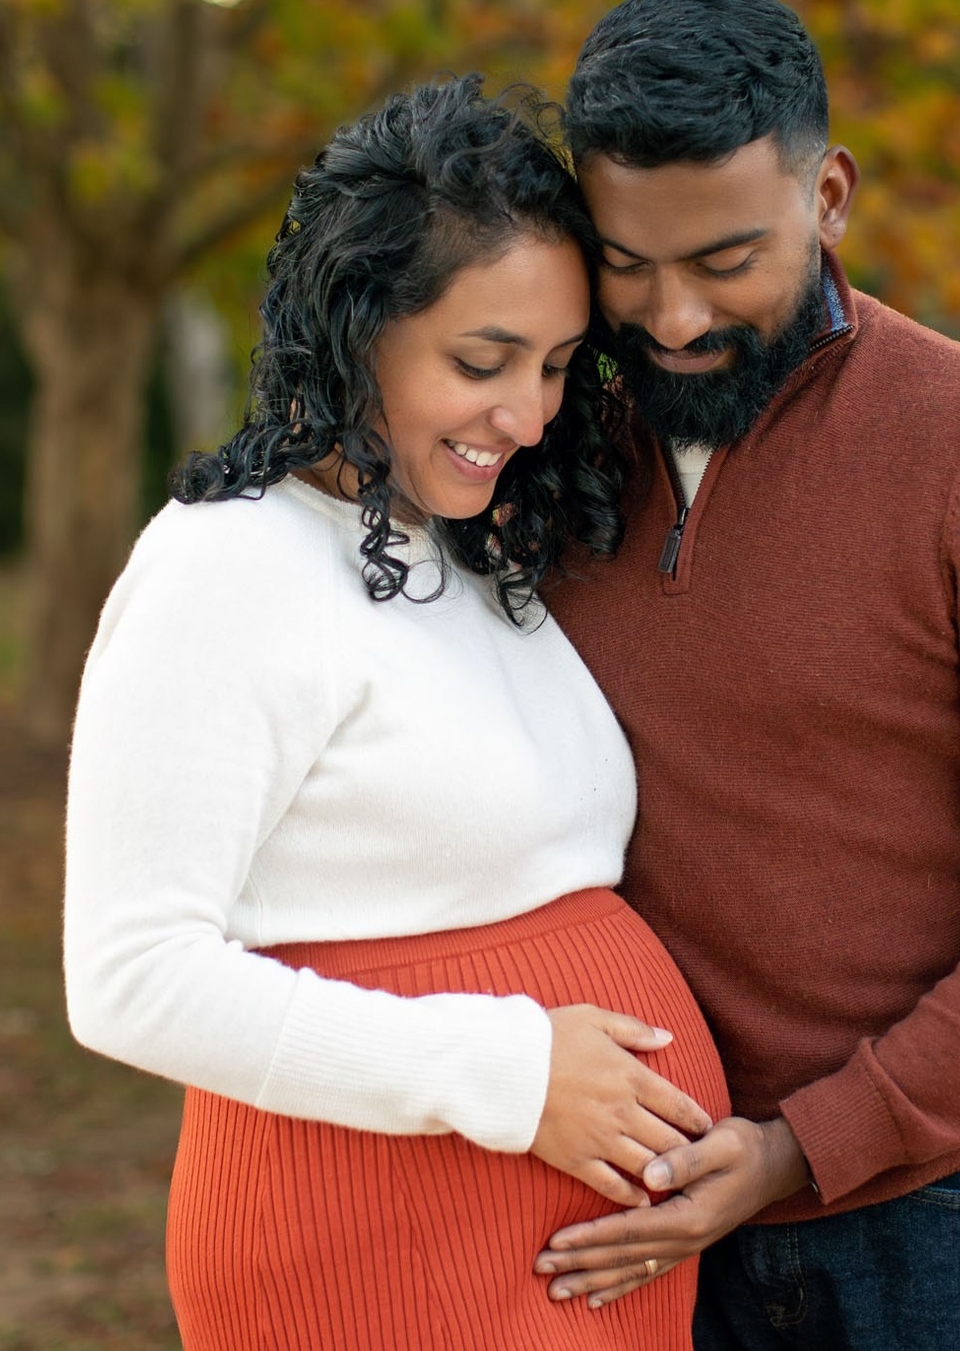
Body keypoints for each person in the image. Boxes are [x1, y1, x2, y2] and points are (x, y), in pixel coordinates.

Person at [530, 0, 960, 1350]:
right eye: (627, 263)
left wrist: (804, 1145)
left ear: (828, 196)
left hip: (941, 1225)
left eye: (724, 258)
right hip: (630, 1206)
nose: (673, 317)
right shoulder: (545, 443)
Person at [62, 74, 729, 1351]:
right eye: (481, 362)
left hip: (561, 1256)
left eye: (551, 365)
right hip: (373, 1235)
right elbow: (128, 978)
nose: (526, 416)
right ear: (356, 327)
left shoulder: (465, 545)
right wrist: (510, 1074)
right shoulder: (229, 565)